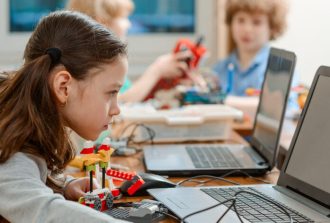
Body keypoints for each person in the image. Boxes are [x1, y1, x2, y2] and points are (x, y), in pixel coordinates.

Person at [0, 11, 130, 223]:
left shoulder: (27, 119)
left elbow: (21, 180)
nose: (116, 109)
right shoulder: (9, 145)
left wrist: (62, 184)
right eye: (111, 93)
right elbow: (42, 212)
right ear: (63, 86)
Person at [67, 0, 191, 103]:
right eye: (123, 18)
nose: (129, 24)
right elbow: (118, 103)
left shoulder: (108, 59)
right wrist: (156, 70)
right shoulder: (89, 65)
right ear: (102, 23)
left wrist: (162, 80)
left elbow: (129, 93)